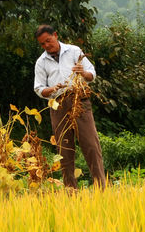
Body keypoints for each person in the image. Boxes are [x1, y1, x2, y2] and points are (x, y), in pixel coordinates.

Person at [33, 24, 107, 189]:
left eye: (48, 41)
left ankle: (101, 187)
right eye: (42, 44)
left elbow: (91, 74)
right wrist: (51, 89)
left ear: (56, 35)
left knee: (91, 145)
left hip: (79, 101)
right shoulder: (41, 62)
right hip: (57, 104)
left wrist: (82, 72)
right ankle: (70, 190)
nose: (46, 46)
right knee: (64, 148)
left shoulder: (74, 51)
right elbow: (38, 88)